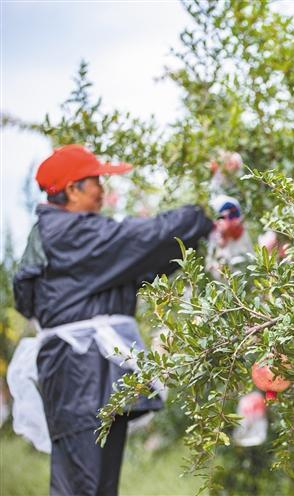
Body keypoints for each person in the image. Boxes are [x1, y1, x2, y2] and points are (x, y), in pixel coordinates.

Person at [8, 144, 214, 496]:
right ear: (72, 190)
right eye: (96, 182)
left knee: (96, 485)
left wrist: (201, 237)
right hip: (81, 371)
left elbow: (141, 264)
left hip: (90, 371)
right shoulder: (70, 234)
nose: (103, 190)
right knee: (83, 486)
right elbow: (143, 237)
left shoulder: (68, 236)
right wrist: (202, 214)